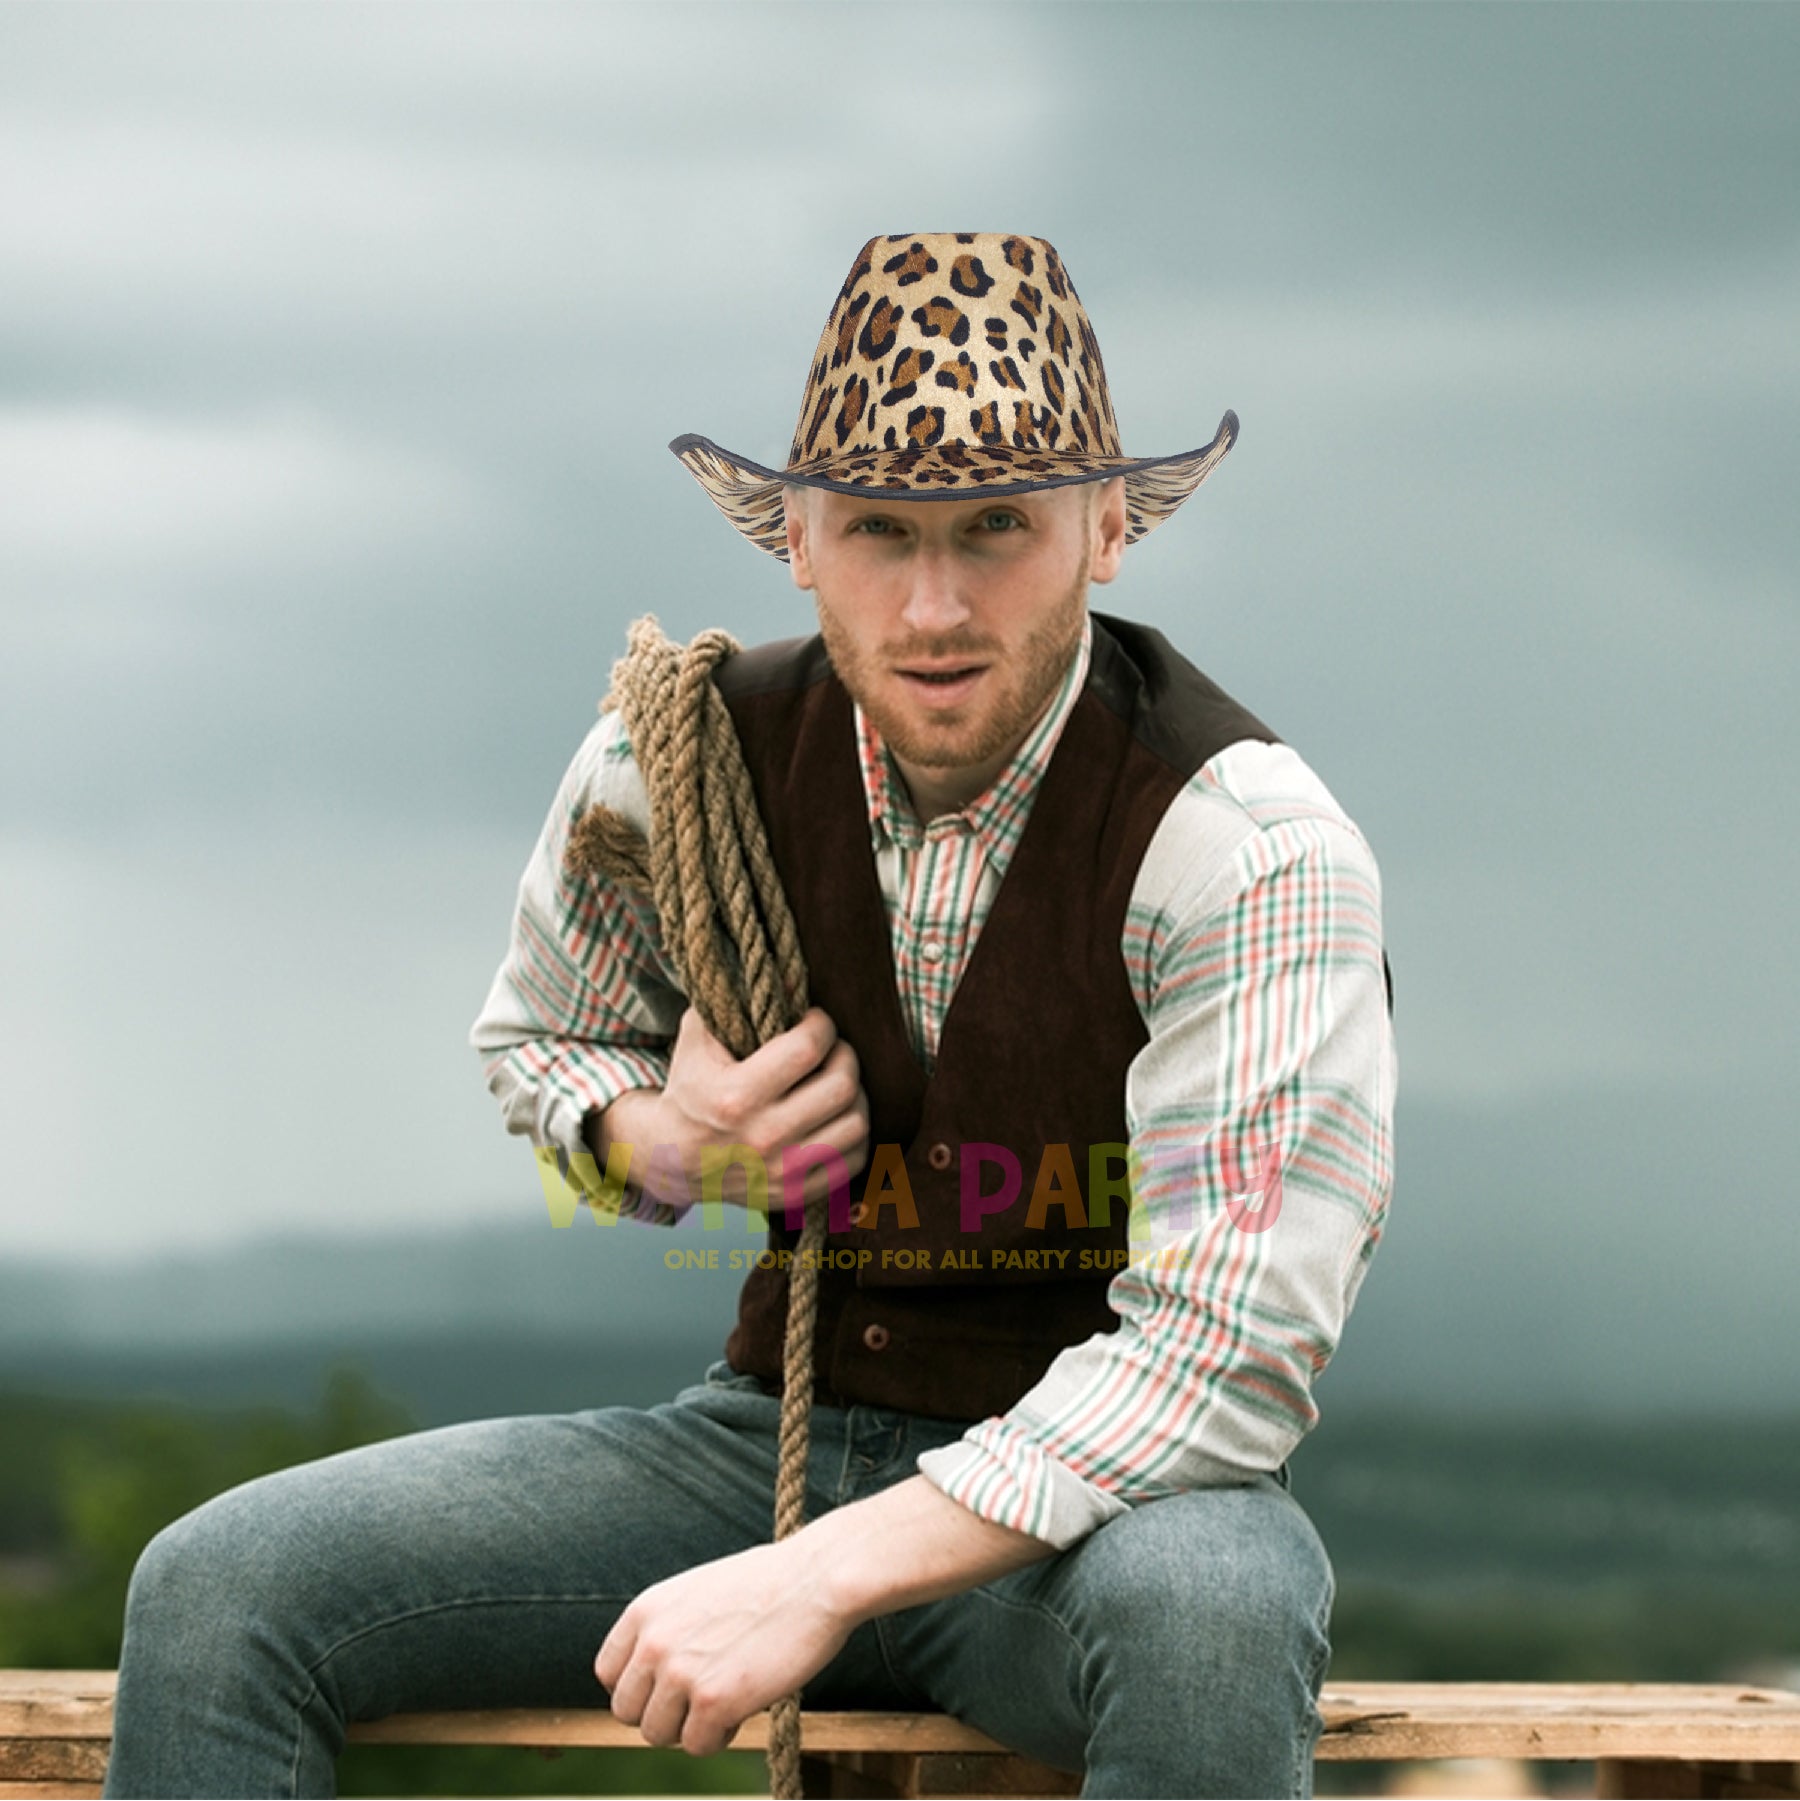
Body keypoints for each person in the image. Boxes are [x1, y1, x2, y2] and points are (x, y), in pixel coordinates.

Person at [105, 231, 1397, 1800]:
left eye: (998, 526)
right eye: (875, 530)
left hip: (1098, 1517)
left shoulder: (1245, 847)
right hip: (762, 1441)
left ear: (1109, 524)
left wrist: (820, 1573)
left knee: (1216, 1616)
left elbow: (1227, 1355)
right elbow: (540, 1049)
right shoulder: (679, 758)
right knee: (217, 1592)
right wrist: (669, 1143)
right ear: (795, 534)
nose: (933, 605)